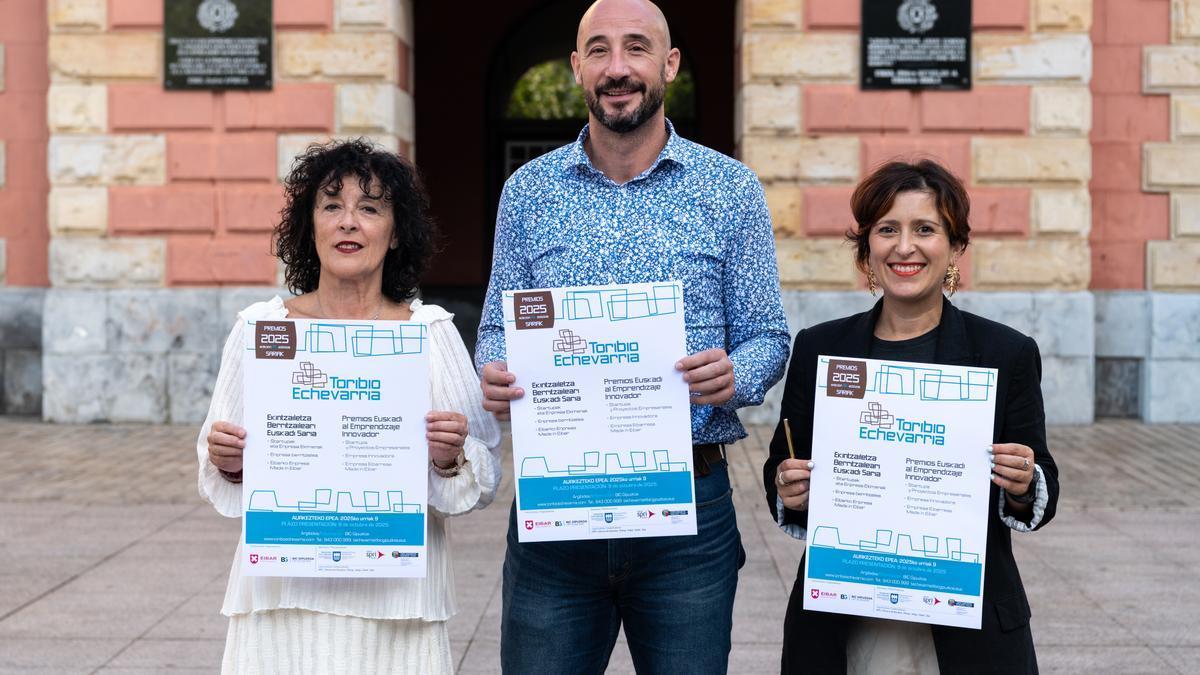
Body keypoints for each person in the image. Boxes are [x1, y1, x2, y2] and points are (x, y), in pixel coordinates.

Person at [475, 0, 790, 671]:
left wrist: (739, 373)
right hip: (556, 511)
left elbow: (768, 334)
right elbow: (497, 327)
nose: (618, 68)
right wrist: (494, 369)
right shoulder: (526, 193)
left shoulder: (731, 190)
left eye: (637, 48)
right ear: (576, 68)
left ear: (668, 65)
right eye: (599, 49)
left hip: (687, 516)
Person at [197, 140, 502, 674]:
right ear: (309, 226)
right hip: (282, 595)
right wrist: (228, 459)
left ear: (396, 230)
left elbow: (481, 478)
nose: (348, 223)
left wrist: (449, 456)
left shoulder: (427, 334)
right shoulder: (263, 330)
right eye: (331, 205)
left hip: (397, 602)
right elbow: (221, 463)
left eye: (370, 208)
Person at [763, 160, 1060, 674]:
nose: (905, 247)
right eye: (887, 230)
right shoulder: (821, 349)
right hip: (846, 614)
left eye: (925, 229)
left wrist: (1021, 480)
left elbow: (1042, 480)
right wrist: (788, 487)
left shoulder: (1004, 352)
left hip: (967, 621)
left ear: (955, 246)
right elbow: (782, 465)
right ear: (866, 249)